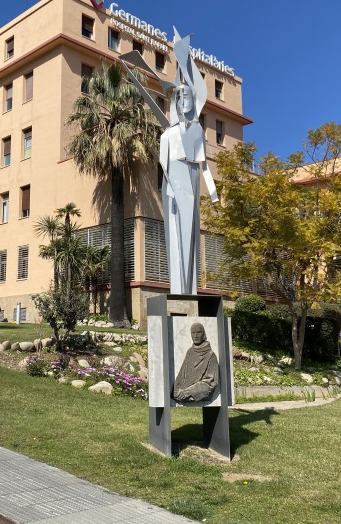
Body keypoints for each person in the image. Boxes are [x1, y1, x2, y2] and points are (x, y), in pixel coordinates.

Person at [120, 28, 218, 294]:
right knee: (175, 232)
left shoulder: (197, 130)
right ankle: (179, 289)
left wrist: (213, 190)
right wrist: (172, 187)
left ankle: (190, 291)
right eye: (180, 97)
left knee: (191, 232)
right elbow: (164, 165)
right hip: (174, 183)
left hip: (191, 178)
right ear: (175, 102)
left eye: (188, 97)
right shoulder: (167, 134)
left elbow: (203, 164)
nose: (185, 101)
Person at [172, 323, 219, 402]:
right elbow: (182, 375)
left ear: (203, 334)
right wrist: (177, 391)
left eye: (198, 332)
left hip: (196, 393)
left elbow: (210, 382)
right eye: (193, 333)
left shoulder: (211, 355)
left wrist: (189, 392)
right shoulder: (190, 352)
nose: (195, 336)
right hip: (183, 392)